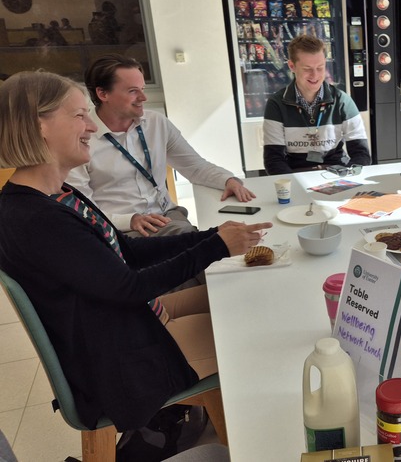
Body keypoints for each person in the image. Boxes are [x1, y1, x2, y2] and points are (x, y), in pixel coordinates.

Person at [0, 71, 272, 430]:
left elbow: (124, 249)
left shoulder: (57, 194)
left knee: (246, 295)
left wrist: (210, 236)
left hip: (129, 324)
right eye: (80, 116)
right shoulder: (37, 220)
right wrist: (217, 246)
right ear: (40, 127)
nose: (92, 128)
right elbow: (130, 288)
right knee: (261, 336)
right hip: (123, 361)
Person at [67, 54, 255, 238]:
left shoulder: (156, 123)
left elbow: (195, 167)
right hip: (121, 230)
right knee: (202, 244)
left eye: (142, 88)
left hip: (168, 216)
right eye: (133, 91)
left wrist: (228, 180)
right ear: (103, 94)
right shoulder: (79, 137)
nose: (143, 97)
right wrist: (128, 220)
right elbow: (80, 207)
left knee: (215, 239)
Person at [263, 35, 372, 173]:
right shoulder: (276, 104)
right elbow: (273, 160)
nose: (315, 75)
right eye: (307, 69)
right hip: (296, 173)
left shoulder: (342, 101)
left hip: (338, 172)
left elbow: (361, 153)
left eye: (320, 68)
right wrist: (295, 186)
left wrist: (351, 176)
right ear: (292, 66)